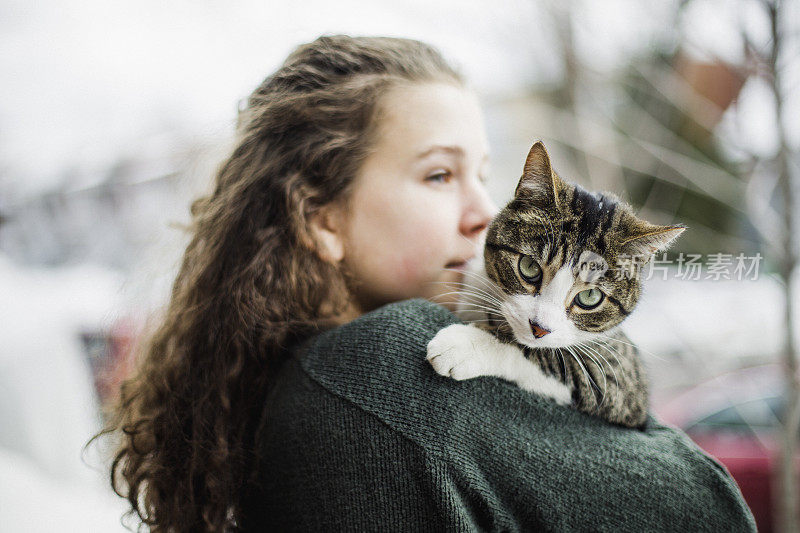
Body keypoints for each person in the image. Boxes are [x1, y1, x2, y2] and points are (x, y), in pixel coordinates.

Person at [93, 35, 756, 532]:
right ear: (320, 218)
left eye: (484, 173)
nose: (485, 212)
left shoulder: (282, 392)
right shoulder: (390, 362)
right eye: (440, 175)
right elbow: (709, 508)